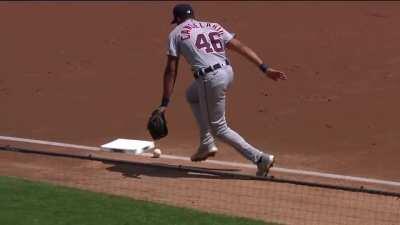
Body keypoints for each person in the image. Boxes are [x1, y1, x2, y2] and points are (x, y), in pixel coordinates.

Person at [155, 4, 287, 176]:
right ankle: (206, 142)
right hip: (227, 73)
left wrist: (164, 103)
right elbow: (240, 46)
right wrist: (264, 68)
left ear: (177, 19)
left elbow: (171, 70)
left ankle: (260, 158)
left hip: (209, 79)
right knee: (191, 95)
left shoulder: (176, 33)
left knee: (220, 128)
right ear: (193, 16)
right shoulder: (213, 26)